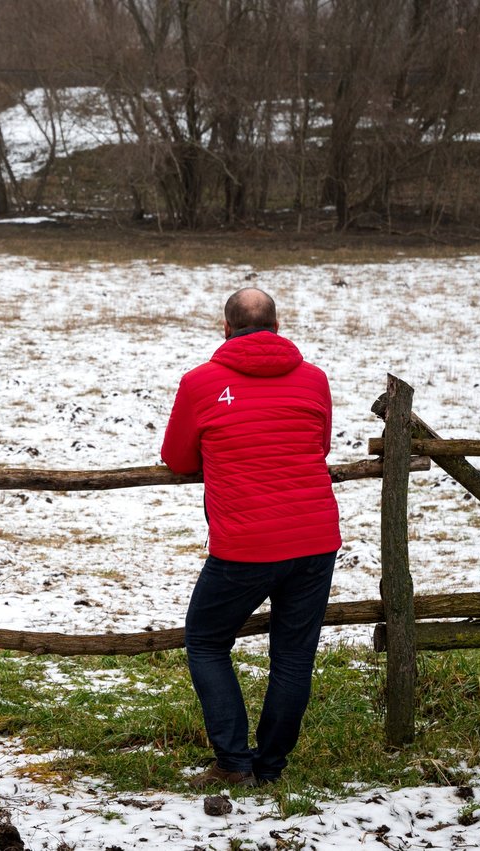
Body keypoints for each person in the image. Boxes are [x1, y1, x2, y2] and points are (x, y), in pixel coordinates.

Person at [160, 287, 341, 789]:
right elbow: (319, 444)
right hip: (314, 537)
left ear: (225, 328)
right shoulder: (314, 379)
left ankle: (234, 762)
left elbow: (177, 458)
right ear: (278, 327)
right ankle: (271, 768)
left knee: (205, 640)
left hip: (245, 542)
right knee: (294, 655)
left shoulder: (200, 383)